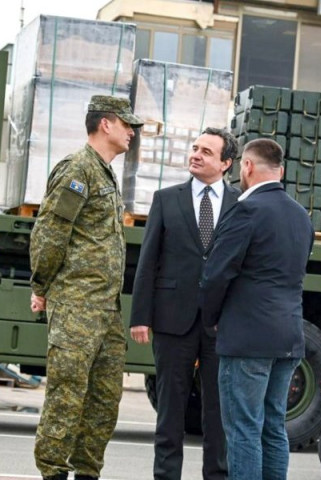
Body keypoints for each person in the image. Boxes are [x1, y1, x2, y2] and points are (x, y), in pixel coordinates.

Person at [29, 95, 143, 480]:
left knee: (104, 401)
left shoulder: (104, 171)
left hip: (106, 309)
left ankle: (87, 472)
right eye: (126, 124)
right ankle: (53, 472)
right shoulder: (78, 169)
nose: (132, 132)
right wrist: (41, 284)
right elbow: (50, 232)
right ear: (105, 124)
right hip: (77, 305)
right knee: (67, 395)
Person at [199, 138, 314, 480]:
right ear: (281, 170)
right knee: (273, 425)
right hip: (289, 335)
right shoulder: (301, 216)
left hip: (248, 338)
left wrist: (211, 319)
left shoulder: (246, 210)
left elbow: (216, 274)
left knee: (243, 428)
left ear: (246, 166)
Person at [130, 127, 241, 480]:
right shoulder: (166, 199)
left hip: (222, 323)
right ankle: (166, 476)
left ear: (226, 163)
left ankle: (217, 476)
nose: (196, 155)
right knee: (170, 409)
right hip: (171, 319)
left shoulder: (241, 204)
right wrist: (140, 316)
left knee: (218, 412)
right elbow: (148, 260)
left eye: (206, 151)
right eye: (195, 148)